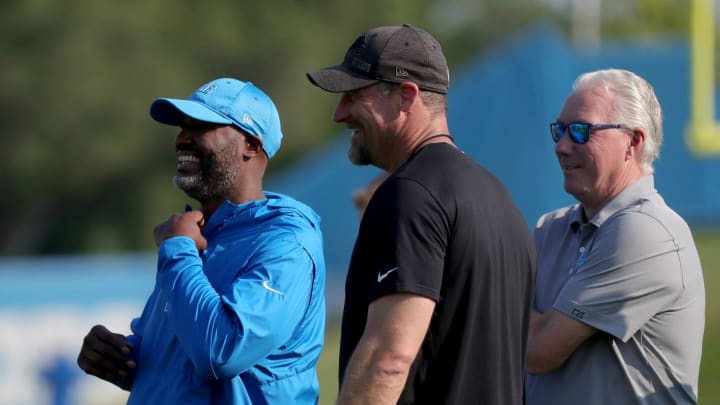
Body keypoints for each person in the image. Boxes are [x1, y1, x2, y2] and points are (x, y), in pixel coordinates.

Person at [307, 24, 536, 405]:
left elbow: (389, 357)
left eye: (353, 96)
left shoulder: (410, 193)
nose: (339, 114)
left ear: (406, 96)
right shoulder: (498, 196)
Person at [77, 78, 327, 404]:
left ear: (251, 144)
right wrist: (123, 358)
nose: (182, 138)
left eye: (201, 127)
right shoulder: (197, 234)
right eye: (182, 126)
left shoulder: (286, 243)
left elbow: (221, 352)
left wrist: (178, 250)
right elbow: (186, 352)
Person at [525, 68, 706, 404]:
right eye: (560, 130)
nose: (562, 146)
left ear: (633, 142)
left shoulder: (646, 231)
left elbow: (538, 350)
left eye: (580, 131)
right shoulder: (549, 228)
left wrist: (473, 295)